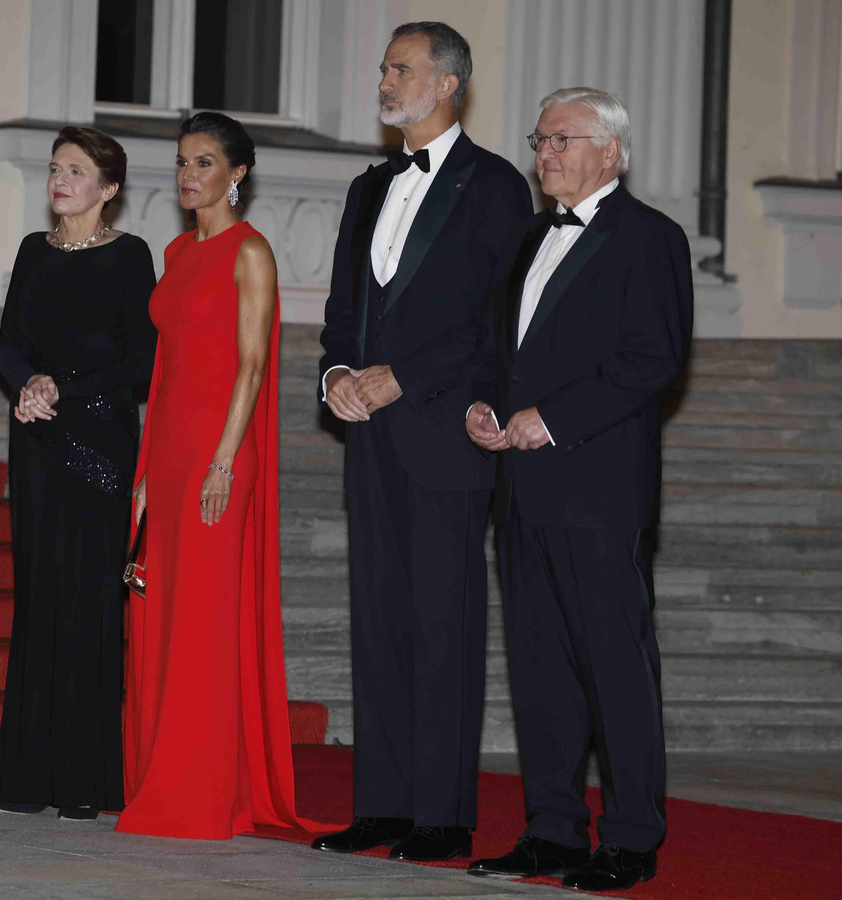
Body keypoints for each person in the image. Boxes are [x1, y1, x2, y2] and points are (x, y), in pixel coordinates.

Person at [463, 87, 693, 893]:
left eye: (563, 138)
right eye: (540, 138)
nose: (545, 152)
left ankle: (631, 839)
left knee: (615, 671)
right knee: (540, 669)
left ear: (611, 152)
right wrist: (488, 408)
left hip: (598, 489)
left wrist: (550, 420)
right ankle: (553, 830)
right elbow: (506, 356)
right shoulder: (528, 239)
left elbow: (651, 358)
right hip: (521, 488)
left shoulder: (651, 239)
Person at [311, 22, 531, 862]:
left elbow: (495, 323)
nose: (384, 79)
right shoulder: (368, 186)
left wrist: (401, 376)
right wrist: (334, 376)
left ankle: (441, 813)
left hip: (444, 430)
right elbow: (342, 311)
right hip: (367, 433)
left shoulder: (496, 186)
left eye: (401, 68)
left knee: (444, 622)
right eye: (383, 66)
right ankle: (384, 806)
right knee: (379, 619)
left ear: (447, 83)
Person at [118, 112, 319, 840]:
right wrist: (145, 470)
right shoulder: (175, 251)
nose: (187, 175)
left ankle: (201, 790)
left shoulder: (252, 253)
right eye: (181, 162)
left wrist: (225, 461)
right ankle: (159, 776)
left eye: (204, 162)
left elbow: (254, 364)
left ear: (237, 174)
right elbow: (165, 369)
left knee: (203, 617)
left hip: (219, 452)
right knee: (162, 613)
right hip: (168, 452)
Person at [0, 126, 158, 820]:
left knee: (89, 602)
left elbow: (143, 360)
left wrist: (66, 385)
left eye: (77, 171)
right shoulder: (35, 251)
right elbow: (8, 342)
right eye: (56, 168)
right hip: (36, 437)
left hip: (99, 442)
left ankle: (85, 784)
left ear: (109, 188)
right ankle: (29, 779)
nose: (60, 180)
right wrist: (30, 382)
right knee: (39, 596)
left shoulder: (131, 256)